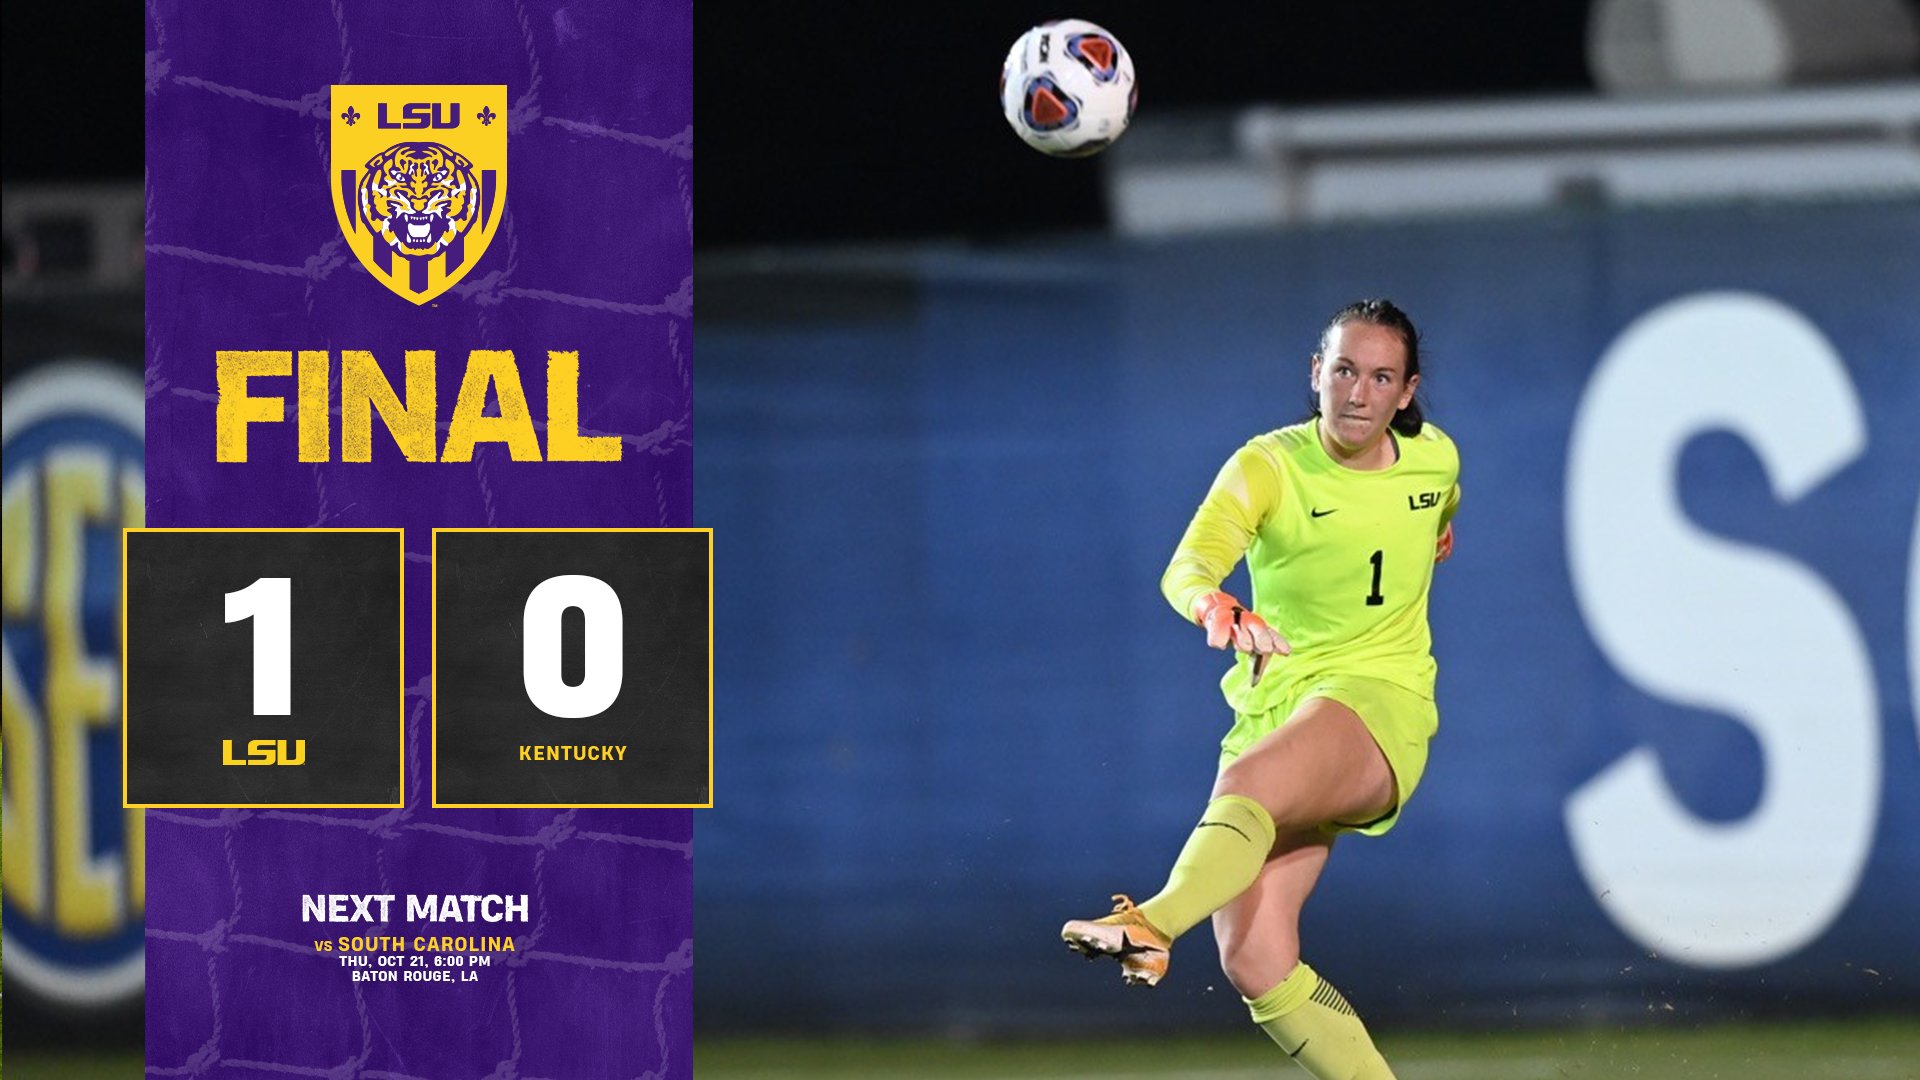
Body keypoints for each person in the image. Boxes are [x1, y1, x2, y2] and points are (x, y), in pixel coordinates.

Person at [1062, 299, 1458, 1080]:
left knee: (1248, 784)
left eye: (1381, 378)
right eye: (1344, 370)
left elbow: (1441, 504)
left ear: (1407, 392)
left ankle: (1150, 926)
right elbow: (1188, 565)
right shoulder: (1268, 465)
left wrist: (1438, 531)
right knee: (1254, 958)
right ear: (1316, 373)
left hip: (1380, 697)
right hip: (1276, 707)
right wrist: (1214, 604)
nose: (1358, 394)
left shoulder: (1436, 459)